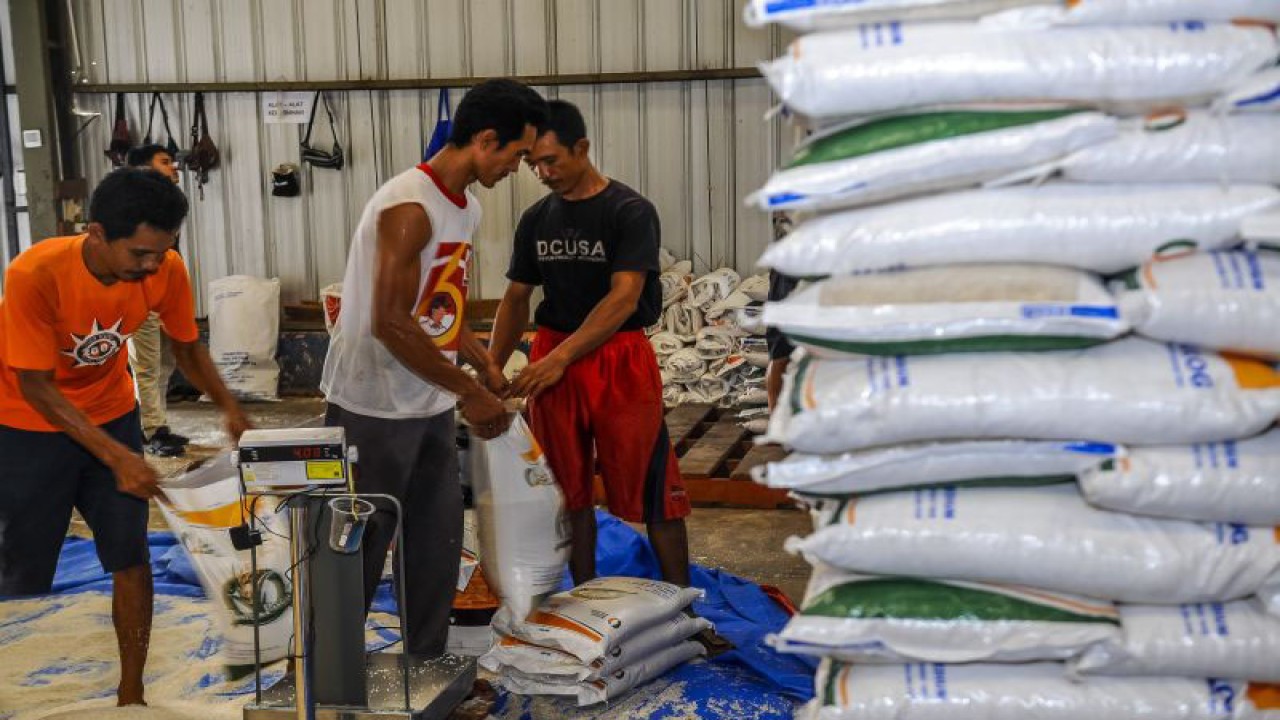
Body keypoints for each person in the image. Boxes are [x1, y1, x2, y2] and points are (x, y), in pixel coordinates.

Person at [0, 168, 252, 706]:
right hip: (27, 424)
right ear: (95, 234)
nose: (152, 265)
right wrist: (119, 456)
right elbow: (38, 388)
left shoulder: (165, 268)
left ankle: (131, 693)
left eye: (161, 253)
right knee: (22, 566)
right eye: (139, 253)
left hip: (112, 411)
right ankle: (14, 691)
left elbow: (186, 347)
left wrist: (230, 406)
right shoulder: (34, 273)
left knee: (131, 554)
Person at [320, 78, 546, 657]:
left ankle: (424, 662)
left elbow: (439, 309)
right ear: (486, 140)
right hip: (373, 403)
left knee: (436, 541)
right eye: (517, 155)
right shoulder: (408, 208)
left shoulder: (465, 208)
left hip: (429, 401)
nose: (519, 168)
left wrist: (482, 361)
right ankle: (334, 673)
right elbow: (391, 323)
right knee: (360, 545)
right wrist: (469, 391)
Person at [489, 99, 693, 589]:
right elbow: (517, 297)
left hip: (617, 357)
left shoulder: (630, 211)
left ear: (582, 148)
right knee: (566, 490)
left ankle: (685, 605)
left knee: (653, 488)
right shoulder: (536, 219)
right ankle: (584, 596)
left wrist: (560, 358)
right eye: (533, 163)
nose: (541, 172)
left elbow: (624, 298)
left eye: (551, 160)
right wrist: (491, 369)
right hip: (554, 353)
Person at [126, 144, 187, 457]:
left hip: (163, 296)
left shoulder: (167, 205)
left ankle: (155, 423)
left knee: (165, 363)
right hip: (141, 298)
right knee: (147, 366)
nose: (173, 166)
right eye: (165, 162)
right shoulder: (134, 206)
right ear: (143, 168)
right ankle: (152, 431)